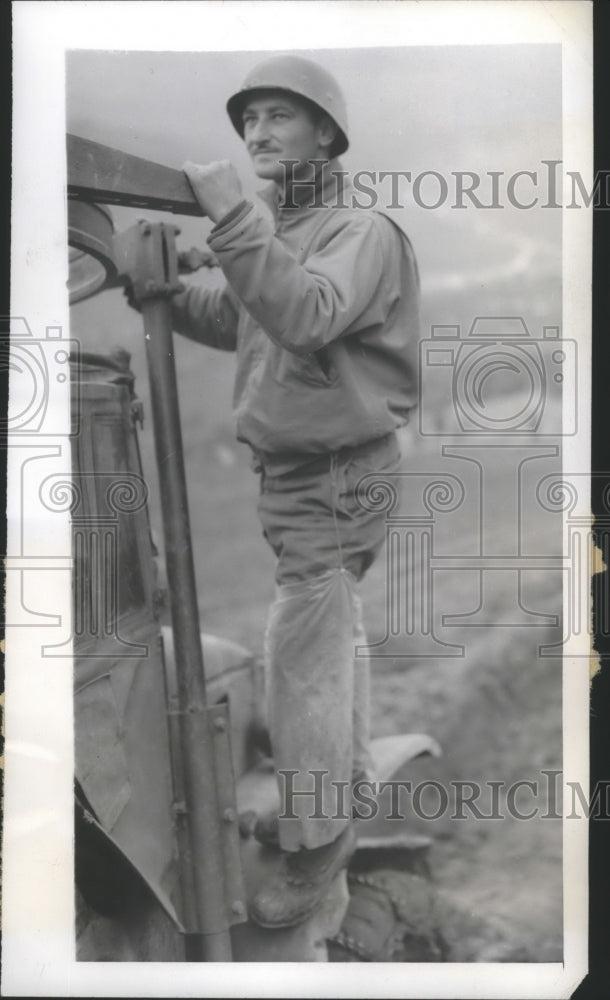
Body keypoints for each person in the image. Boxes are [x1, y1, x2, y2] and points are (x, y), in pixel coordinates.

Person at [171, 54, 420, 929]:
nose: (257, 135)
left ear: (326, 132)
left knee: (299, 652)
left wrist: (236, 221)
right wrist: (163, 285)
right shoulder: (284, 235)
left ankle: (314, 851)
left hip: (337, 471)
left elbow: (306, 312)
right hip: (296, 472)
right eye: (248, 123)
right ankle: (338, 799)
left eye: (278, 116)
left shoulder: (361, 233)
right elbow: (248, 321)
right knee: (329, 634)